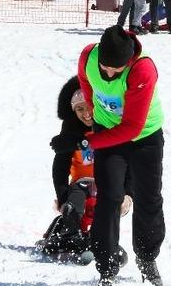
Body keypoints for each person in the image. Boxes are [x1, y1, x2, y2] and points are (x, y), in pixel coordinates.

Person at [77, 26, 165, 286]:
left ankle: (147, 258)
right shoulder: (88, 56)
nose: (109, 74)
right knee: (109, 198)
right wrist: (94, 111)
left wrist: (90, 142)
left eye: (116, 69)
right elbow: (85, 82)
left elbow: (132, 128)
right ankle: (106, 269)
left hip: (144, 136)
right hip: (107, 131)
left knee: (148, 198)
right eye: (105, 67)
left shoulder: (142, 69)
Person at [45, 77, 133, 256]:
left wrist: (128, 194)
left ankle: (105, 241)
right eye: (80, 109)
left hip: (108, 184)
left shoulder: (112, 127)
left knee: (108, 208)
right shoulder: (71, 131)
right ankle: (71, 233)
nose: (86, 114)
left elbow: (130, 162)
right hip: (81, 184)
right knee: (74, 205)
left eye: (89, 107)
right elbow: (60, 167)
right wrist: (62, 198)